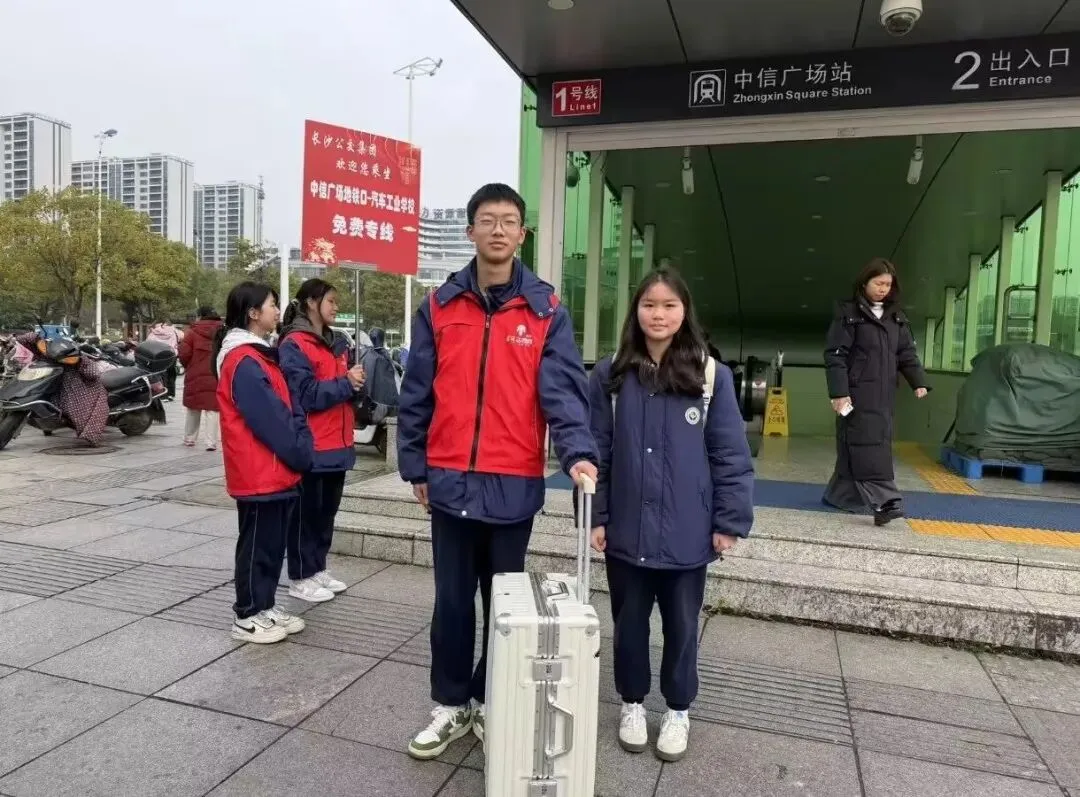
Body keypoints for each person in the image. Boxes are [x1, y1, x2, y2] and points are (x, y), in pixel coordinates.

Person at [397, 183, 598, 760]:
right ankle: (450, 703)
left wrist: (577, 452)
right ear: (471, 232)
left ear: (522, 234)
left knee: (505, 603)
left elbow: (563, 393)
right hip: (449, 477)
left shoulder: (546, 310)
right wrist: (415, 464)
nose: (498, 230)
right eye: (488, 220)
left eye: (509, 221)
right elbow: (418, 391)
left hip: (513, 480)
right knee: (452, 601)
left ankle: (488, 700)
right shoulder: (438, 306)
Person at [588, 267, 754, 763]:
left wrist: (728, 521)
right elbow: (597, 451)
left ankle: (679, 710)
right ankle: (632, 704)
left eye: (669, 305)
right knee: (629, 623)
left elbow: (729, 453)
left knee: (682, 627)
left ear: (685, 312)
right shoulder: (610, 375)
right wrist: (596, 515)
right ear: (635, 311)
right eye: (649, 305)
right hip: (626, 529)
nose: (658, 315)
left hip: (687, 531)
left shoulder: (710, 377)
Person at [212, 281, 314, 644]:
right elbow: (271, 419)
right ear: (253, 313)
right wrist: (300, 450)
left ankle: (265, 604)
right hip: (259, 470)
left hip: (274, 469)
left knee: (271, 544)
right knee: (257, 545)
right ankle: (247, 613)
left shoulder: (258, 354)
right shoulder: (243, 359)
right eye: (272, 304)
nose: (276, 310)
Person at [823, 257, 930, 525]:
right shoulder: (849, 314)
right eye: (878, 283)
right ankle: (885, 501)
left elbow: (906, 353)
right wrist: (839, 393)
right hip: (856, 393)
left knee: (862, 442)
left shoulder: (896, 318)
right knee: (866, 443)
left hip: (885, 395)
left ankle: (841, 495)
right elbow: (835, 355)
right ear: (864, 283)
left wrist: (918, 381)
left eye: (887, 284)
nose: (883, 289)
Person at [278, 278, 366, 603]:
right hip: (312, 444)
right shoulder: (295, 344)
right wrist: (345, 383)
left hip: (338, 443)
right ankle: (300, 576)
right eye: (331, 301)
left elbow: (339, 388)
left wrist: (355, 385)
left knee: (326, 513)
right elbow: (304, 395)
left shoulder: (335, 342)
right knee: (306, 516)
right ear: (312, 303)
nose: (336, 307)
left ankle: (317, 568)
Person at [178, 306, 223, 451]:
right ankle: (211, 442)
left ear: (200, 316)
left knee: (193, 407)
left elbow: (184, 354)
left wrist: (190, 365)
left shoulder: (192, 332)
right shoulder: (223, 331)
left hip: (195, 374)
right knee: (213, 409)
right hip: (215, 374)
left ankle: (190, 438)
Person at [148, 318, 181, 400]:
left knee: (161, 375)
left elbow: (148, 344)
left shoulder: (153, 333)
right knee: (171, 374)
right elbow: (181, 338)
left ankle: (163, 394)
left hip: (158, 356)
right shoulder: (174, 331)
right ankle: (171, 394)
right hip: (171, 354)